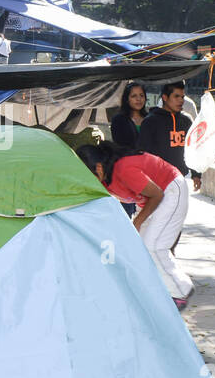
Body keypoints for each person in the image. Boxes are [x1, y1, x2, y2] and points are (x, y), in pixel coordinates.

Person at [77, 142, 193, 307]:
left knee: (154, 245)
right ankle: (160, 289)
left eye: (88, 177)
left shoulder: (124, 169)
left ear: (99, 168)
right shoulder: (104, 180)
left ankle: (181, 291)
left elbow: (157, 195)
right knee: (139, 245)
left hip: (170, 189)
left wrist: (137, 222)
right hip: (149, 199)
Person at [137, 81, 201, 192]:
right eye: (176, 96)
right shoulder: (150, 121)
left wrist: (196, 174)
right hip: (157, 181)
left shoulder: (186, 121)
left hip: (181, 178)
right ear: (165, 98)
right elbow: (144, 153)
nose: (181, 100)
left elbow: (193, 150)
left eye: (182, 97)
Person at [111, 82, 148, 151]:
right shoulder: (118, 120)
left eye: (141, 95)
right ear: (127, 99)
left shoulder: (150, 119)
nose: (138, 99)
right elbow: (119, 145)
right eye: (134, 96)